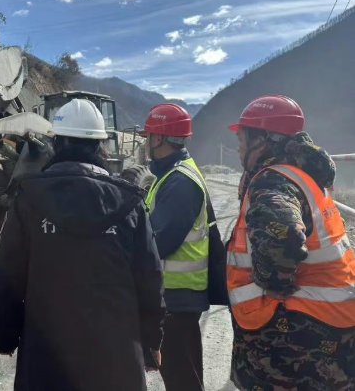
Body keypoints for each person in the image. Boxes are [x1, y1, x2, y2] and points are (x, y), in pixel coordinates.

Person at [0, 98, 165, 391]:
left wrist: (5, 338)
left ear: (56, 143)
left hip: (47, 359)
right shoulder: (130, 203)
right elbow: (150, 282)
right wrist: (150, 344)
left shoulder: (28, 198)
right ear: (100, 146)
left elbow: (8, 278)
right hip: (116, 359)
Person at [226, 94, 355, 391]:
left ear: (262, 139)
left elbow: (283, 238)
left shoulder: (272, 180)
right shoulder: (303, 175)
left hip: (296, 329)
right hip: (330, 320)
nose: (239, 147)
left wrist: (273, 280)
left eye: (242, 138)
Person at [139, 103, 211, 391]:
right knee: (183, 376)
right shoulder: (171, 175)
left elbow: (158, 242)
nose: (146, 142)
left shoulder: (179, 182)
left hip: (176, 297)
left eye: (148, 136)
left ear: (158, 138)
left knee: (182, 380)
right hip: (177, 295)